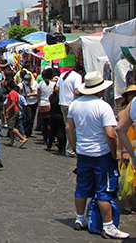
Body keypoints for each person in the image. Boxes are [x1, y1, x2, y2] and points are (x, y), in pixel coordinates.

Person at [66, 71, 128, 239]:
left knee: (81, 187)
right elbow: (110, 134)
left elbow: (69, 129)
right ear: (100, 89)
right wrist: (114, 153)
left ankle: (80, 219)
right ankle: (108, 226)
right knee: (104, 191)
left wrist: (75, 147)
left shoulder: (75, 105)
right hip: (101, 154)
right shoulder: (103, 107)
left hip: (83, 152)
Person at [115, 84, 136, 215]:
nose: (133, 96)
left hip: (132, 147)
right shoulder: (124, 111)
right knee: (128, 177)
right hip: (129, 146)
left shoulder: (132, 106)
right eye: (130, 94)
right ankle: (128, 204)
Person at [58, 64, 84, 157]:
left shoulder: (63, 75)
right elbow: (77, 91)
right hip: (71, 104)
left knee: (68, 126)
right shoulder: (77, 77)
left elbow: (57, 89)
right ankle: (71, 149)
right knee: (73, 128)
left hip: (62, 103)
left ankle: (69, 148)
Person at [5, 80, 28, 148]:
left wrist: (7, 110)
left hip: (13, 110)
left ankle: (22, 138)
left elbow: (13, 103)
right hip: (16, 110)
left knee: (11, 126)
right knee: (12, 126)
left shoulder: (12, 93)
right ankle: (12, 141)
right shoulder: (15, 93)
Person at [20, 73, 38, 138]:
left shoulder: (35, 84)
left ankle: (29, 132)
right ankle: (23, 130)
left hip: (34, 102)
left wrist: (30, 94)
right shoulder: (22, 84)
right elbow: (18, 88)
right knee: (29, 117)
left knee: (32, 118)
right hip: (27, 103)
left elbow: (38, 92)